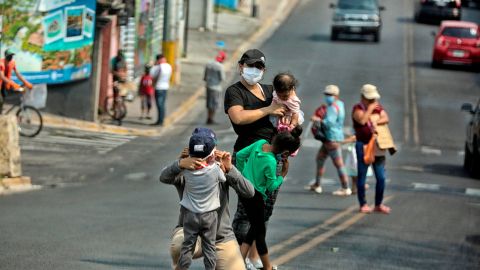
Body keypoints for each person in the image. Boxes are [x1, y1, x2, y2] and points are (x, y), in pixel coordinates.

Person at [224, 48, 285, 269]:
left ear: (264, 70)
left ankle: (252, 258)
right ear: (241, 66)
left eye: (258, 67)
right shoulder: (235, 92)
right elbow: (238, 117)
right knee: (246, 212)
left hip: (272, 158)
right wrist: (268, 109)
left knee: (265, 211)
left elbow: (289, 102)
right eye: (250, 66)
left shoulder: (270, 90)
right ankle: (233, 261)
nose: (254, 70)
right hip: (248, 158)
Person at [160, 132, 255, 270]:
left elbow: (249, 192)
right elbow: (164, 177)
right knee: (178, 246)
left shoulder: (220, 169)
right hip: (190, 233)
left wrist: (230, 169)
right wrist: (179, 164)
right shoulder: (186, 171)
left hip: (220, 238)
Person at [235, 126, 302, 270]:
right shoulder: (271, 162)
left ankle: (239, 262)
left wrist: (242, 176)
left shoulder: (259, 143)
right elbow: (271, 186)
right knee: (259, 234)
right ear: (285, 153)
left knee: (254, 228)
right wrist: (282, 175)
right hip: (257, 197)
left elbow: (240, 155)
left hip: (245, 192)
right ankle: (267, 267)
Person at [176, 128, 226, 270]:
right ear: (212, 154)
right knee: (209, 247)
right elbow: (223, 178)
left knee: (187, 247)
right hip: (209, 215)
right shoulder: (216, 169)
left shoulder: (186, 169)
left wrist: (181, 159)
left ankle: (182, 268)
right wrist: (220, 161)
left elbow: (177, 172)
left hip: (190, 214)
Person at [352, 84, 391, 214]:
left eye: (373, 99)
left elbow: (386, 117)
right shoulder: (357, 108)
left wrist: (376, 122)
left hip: (377, 146)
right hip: (363, 145)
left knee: (381, 177)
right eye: (370, 99)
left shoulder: (378, 108)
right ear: (363, 98)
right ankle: (363, 204)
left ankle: (378, 204)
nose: (373, 102)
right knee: (362, 176)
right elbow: (362, 121)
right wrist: (369, 109)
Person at [307, 85, 351, 196]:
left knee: (339, 163)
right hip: (333, 137)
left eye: (330, 95)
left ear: (336, 95)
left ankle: (345, 187)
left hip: (331, 138)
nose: (327, 97)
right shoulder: (340, 104)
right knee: (320, 159)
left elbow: (329, 122)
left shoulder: (332, 107)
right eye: (326, 94)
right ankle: (317, 184)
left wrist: (318, 119)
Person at [204, 51, 226, 124]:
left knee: (209, 103)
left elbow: (205, 76)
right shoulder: (220, 66)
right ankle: (211, 118)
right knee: (215, 103)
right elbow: (222, 78)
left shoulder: (208, 64)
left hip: (208, 86)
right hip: (216, 87)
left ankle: (208, 117)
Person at [150, 54, 173, 126]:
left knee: (159, 105)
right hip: (165, 87)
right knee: (162, 105)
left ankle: (160, 121)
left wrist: (153, 84)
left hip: (158, 87)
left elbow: (154, 76)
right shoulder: (169, 66)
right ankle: (161, 120)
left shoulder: (159, 67)